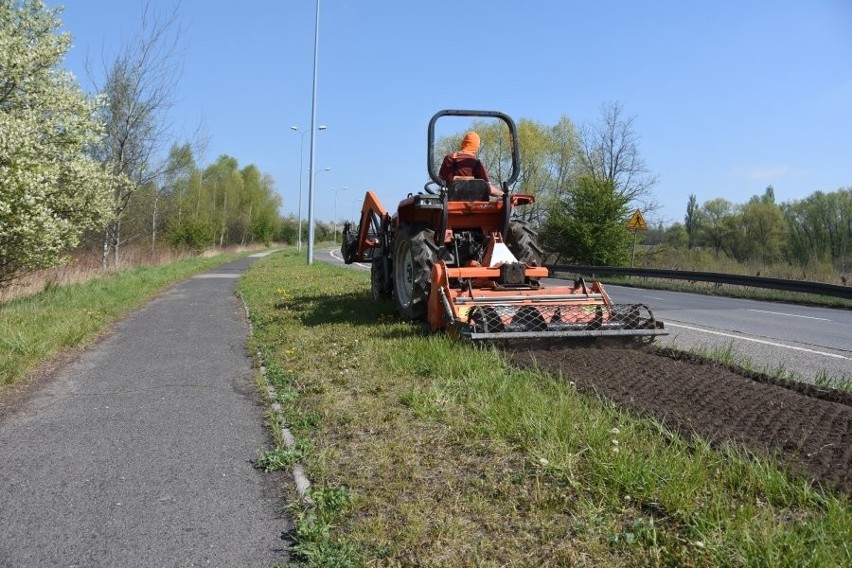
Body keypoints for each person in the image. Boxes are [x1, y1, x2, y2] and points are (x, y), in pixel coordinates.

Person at [438, 131, 504, 197]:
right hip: (474, 205)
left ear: (463, 143)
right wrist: (503, 194)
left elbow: (440, 181)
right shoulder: (477, 163)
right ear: (476, 146)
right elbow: (490, 190)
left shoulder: (449, 158)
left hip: (449, 203)